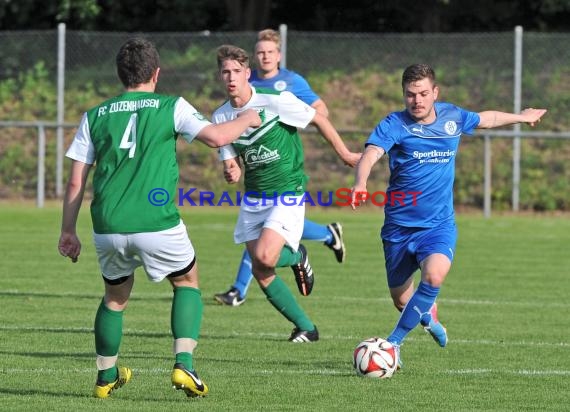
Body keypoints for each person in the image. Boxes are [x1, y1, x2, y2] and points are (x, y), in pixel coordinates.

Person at [57, 37, 260, 399]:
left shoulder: (95, 115)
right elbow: (216, 138)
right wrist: (247, 117)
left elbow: (76, 180)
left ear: (121, 74)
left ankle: (105, 377)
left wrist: (68, 231)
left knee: (115, 299)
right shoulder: (171, 106)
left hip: (108, 225)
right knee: (186, 282)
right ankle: (184, 365)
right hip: (157, 222)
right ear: (156, 73)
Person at [351, 63, 546, 368]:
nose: (417, 100)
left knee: (434, 275)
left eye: (423, 94)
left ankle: (393, 344)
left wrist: (522, 116)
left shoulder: (452, 116)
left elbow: (487, 119)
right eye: (411, 94)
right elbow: (372, 153)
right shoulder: (394, 124)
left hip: (438, 225)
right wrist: (361, 183)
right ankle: (428, 317)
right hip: (398, 230)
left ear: (435, 93)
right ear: (403, 95)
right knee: (402, 301)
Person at [213, 44, 360, 342]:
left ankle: (296, 256)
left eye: (237, 72)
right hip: (254, 197)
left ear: (247, 74)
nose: (231, 77)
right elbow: (232, 165)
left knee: (267, 256)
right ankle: (306, 327)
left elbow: (318, 118)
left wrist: (344, 154)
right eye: (225, 72)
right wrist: (231, 171)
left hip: (287, 191)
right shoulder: (220, 117)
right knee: (260, 269)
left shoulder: (274, 100)